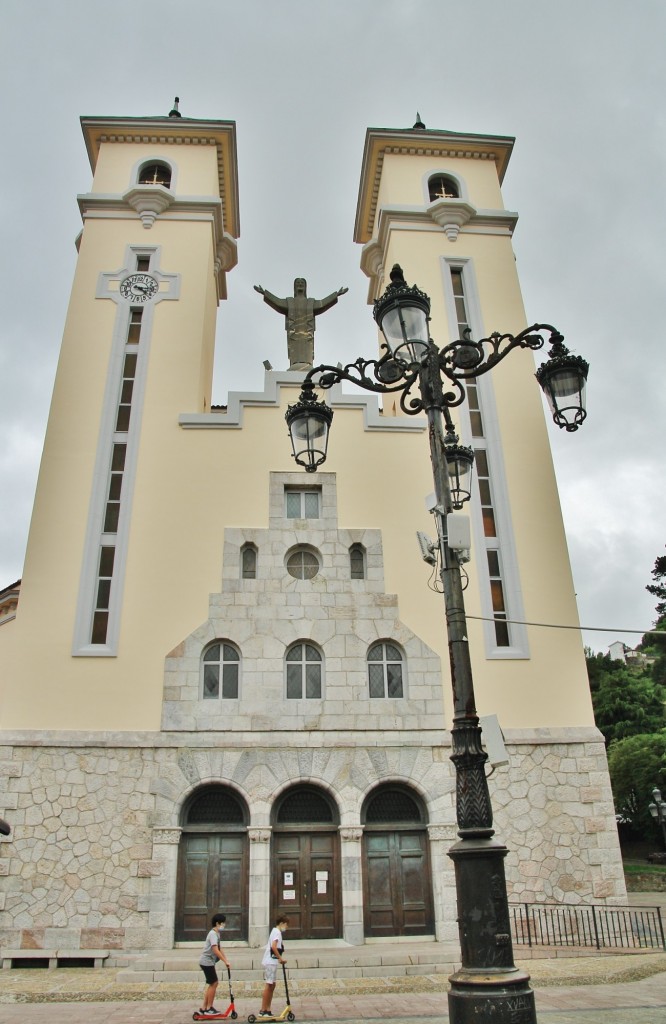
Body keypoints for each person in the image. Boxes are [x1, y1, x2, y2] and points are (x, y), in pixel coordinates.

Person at [198, 912, 231, 1015]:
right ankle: (209, 1008)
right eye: (223, 923)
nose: (224, 925)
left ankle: (204, 1007)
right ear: (217, 923)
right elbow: (215, 949)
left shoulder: (217, 933)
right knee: (214, 983)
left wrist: (226, 960)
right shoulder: (213, 933)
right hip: (206, 961)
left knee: (212, 983)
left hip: (209, 962)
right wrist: (224, 961)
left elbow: (220, 949)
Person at [259, 915, 289, 1017]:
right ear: (281, 923)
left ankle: (268, 1008)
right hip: (270, 962)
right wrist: (281, 958)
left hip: (272, 961)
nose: (286, 927)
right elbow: (273, 947)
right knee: (269, 985)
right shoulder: (277, 932)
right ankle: (263, 1010)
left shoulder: (275, 931)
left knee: (272, 985)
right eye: (286, 924)